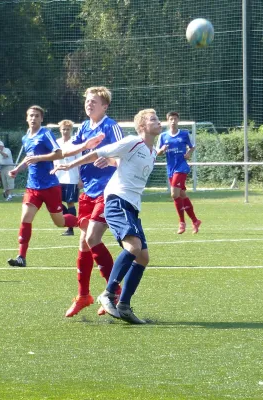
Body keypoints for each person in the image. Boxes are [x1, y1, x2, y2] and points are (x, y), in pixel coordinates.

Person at [52, 108, 161, 324]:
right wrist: (71, 165)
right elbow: (98, 153)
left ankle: (124, 306)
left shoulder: (152, 151)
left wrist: (112, 162)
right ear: (141, 127)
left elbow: (119, 162)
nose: (159, 122)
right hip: (117, 199)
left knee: (143, 257)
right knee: (133, 247)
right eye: (153, 119)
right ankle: (109, 294)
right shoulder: (132, 141)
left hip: (132, 205)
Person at [7, 105, 104, 268]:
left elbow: (58, 153)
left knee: (59, 222)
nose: (33, 118)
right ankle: (21, 257)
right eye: (31, 115)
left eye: (37, 116)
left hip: (50, 186)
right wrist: (17, 169)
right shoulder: (26, 137)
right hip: (33, 187)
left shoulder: (45, 134)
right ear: (26, 118)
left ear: (41, 119)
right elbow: (29, 157)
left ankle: (83, 222)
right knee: (25, 218)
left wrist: (39, 158)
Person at [57, 86, 124, 318]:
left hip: (108, 191)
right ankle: (84, 295)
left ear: (105, 106)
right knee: (84, 244)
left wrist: (111, 160)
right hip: (88, 192)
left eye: (94, 101)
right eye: (87, 100)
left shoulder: (111, 126)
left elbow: (124, 155)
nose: (89, 104)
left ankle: (114, 292)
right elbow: (68, 150)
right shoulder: (84, 127)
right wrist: (84, 146)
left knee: (91, 237)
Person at [156, 111, 201, 234]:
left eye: (175, 119)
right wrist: (162, 149)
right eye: (171, 119)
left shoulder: (184, 134)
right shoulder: (163, 136)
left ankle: (182, 223)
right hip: (171, 168)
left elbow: (193, 146)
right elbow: (157, 152)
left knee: (174, 194)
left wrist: (188, 153)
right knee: (181, 195)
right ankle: (195, 221)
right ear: (168, 121)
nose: (173, 121)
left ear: (178, 120)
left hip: (181, 167)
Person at [54, 120, 82, 236]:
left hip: (71, 177)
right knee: (56, 202)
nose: (65, 131)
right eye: (63, 129)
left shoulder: (74, 143)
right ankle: (73, 222)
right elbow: (54, 159)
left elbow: (80, 161)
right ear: (60, 130)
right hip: (58, 178)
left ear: (71, 130)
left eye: (68, 129)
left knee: (70, 202)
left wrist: (80, 178)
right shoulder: (57, 142)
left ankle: (70, 229)